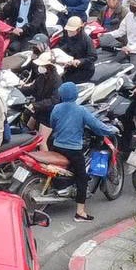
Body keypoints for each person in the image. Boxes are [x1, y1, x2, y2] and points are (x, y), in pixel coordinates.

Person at [48, 81, 113, 222]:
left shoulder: (56, 108)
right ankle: (80, 213)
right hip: (73, 150)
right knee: (82, 178)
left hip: (57, 146)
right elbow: (96, 126)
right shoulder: (81, 110)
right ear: (75, 95)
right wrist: (111, 130)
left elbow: (53, 124)